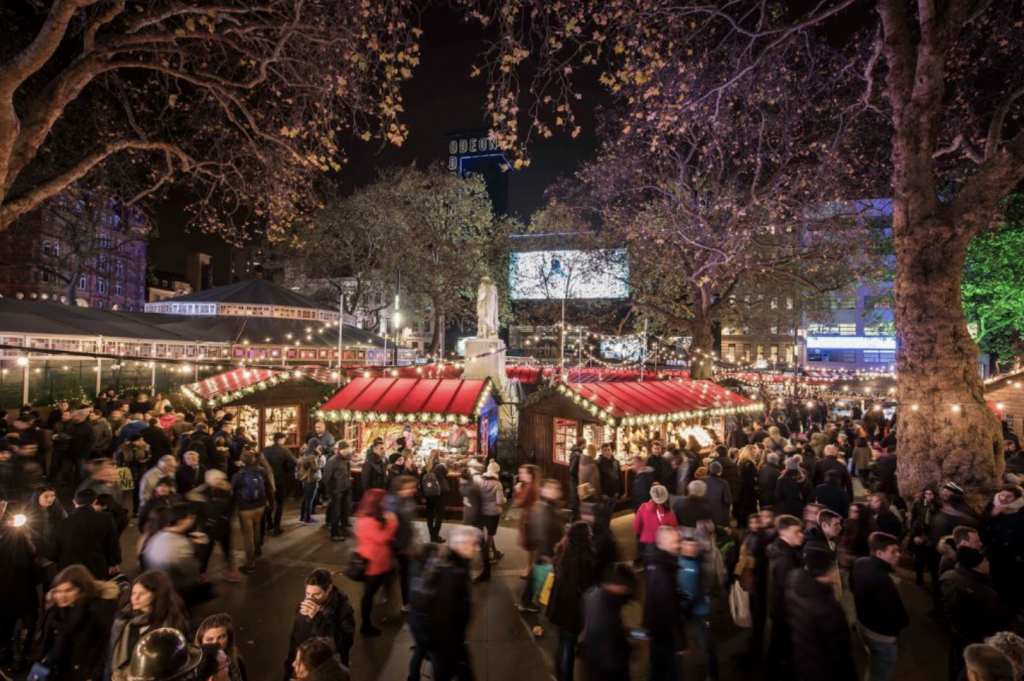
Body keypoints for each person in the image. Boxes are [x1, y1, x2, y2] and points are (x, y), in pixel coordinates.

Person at [407, 525, 478, 681]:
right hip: (442, 640)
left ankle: (413, 677)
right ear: (461, 545)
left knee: (420, 652)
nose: (476, 549)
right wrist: (452, 642)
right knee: (445, 671)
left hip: (424, 630)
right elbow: (444, 613)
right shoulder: (452, 573)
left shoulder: (450, 564)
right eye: (473, 544)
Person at [34, 564, 121, 681]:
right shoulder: (55, 610)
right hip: (59, 671)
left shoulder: (99, 610)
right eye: (58, 591)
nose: (61, 596)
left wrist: (94, 674)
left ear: (82, 589)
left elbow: (108, 647)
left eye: (69, 590)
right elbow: (46, 642)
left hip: (85, 674)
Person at [786, 546, 857, 681]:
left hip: (803, 662)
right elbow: (840, 653)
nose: (837, 571)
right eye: (833, 567)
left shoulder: (795, 584)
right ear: (825, 571)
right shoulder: (827, 608)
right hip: (823, 670)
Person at [106, 571, 188, 681]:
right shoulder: (122, 621)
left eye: (142, 594)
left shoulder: (172, 623)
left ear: (156, 595)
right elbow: (110, 657)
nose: (135, 598)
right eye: (133, 593)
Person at [850, 532, 910, 681]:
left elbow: (852, 587)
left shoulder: (860, 562)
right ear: (879, 553)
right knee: (879, 673)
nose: (898, 555)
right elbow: (897, 617)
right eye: (893, 552)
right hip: (882, 637)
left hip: (863, 625)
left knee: (873, 663)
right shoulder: (884, 581)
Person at [942, 545, 1004, 681]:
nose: (988, 563)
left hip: (957, 632)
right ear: (979, 566)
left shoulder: (949, 576)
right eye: (985, 561)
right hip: (976, 639)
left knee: (956, 661)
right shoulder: (985, 592)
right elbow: (995, 623)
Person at [546, 521, 596, 681]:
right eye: (589, 533)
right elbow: (588, 587)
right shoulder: (586, 559)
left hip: (558, 605)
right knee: (568, 646)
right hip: (572, 610)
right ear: (583, 538)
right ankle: (566, 677)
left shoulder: (563, 551)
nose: (591, 535)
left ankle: (558, 672)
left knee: (561, 642)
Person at [284, 568, 355, 676]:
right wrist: (290, 667)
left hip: (324, 671)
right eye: (307, 593)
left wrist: (318, 618)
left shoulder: (343, 608)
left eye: (317, 594)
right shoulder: (302, 606)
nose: (310, 599)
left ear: (329, 589)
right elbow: (295, 639)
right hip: (302, 668)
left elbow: (344, 644)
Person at [46, 487, 121, 580]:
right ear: (95, 502)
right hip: (98, 568)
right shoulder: (106, 518)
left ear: (74, 502)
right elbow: (112, 544)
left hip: (71, 571)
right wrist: (113, 563)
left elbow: (54, 551)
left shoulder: (62, 524)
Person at [764, 514, 804, 681]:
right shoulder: (785, 559)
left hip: (778, 609)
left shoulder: (779, 549)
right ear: (784, 532)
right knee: (785, 646)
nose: (801, 535)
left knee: (778, 644)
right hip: (786, 611)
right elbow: (787, 588)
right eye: (796, 532)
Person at [353, 488, 398, 636]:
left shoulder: (373, 516)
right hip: (373, 563)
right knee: (368, 595)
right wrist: (392, 523)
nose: (386, 502)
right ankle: (365, 625)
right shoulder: (367, 521)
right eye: (383, 500)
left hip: (382, 561)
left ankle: (384, 607)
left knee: (386, 582)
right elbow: (382, 538)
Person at [644, 525, 686, 681]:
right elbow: (670, 609)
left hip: (656, 627)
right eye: (674, 542)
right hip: (665, 631)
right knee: (671, 669)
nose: (678, 545)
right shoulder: (663, 570)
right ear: (661, 543)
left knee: (657, 665)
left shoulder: (655, 560)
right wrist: (680, 641)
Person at [582, 564, 636, 681]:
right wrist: (628, 647)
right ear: (622, 587)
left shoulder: (592, 594)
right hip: (606, 671)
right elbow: (611, 657)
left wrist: (623, 630)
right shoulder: (608, 609)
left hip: (592, 664)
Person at [518, 479, 565, 613]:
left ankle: (526, 601)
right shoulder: (543, 509)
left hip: (549, 551)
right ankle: (530, 601)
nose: (556, 491)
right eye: (551, 488)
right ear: (543, 490)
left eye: (557, 488)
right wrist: (546, 554)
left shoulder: (549, 505)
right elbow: (541, 531)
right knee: (543, 576)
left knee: (537, 575)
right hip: (548, 552)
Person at [142, 502, 207, 598]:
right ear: (182, 521)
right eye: (190, 517)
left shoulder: (156, 536)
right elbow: (193, 571)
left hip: (156, 584)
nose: (192, 520)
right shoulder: (181, 545)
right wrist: (200, 547)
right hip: (175, 591)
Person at [187, 469, 240, 583]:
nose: (221, 481)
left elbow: (231, 508)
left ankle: (229, 571)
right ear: (210, 481)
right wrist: (200, 527)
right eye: (217, 480)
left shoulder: (227, 491)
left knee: (227, 551)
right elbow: (196, 512)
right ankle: (202, 574)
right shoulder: (200, 494)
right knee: (205, 553)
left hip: (223, 527)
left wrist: (227, 519)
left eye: (221, 479)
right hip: (207, 529)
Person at [679, 532, 718, 681]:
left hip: (700, 614)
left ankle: (713, 674)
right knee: (704, 645)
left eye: (693, 545)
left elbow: (690, 595)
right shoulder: (683, 562)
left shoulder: (692, 568)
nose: (690, 548)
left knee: (707, 646)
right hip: (695, 612)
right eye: (686, 544)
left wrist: (682, 611)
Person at [982, 484, 1024, 621]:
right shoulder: (993, 505)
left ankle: (1008, 618)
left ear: (1016, 498)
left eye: (1008, 496)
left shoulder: (1021, 511)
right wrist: (994, 514)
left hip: (1013, 559)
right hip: (994, 554)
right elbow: (983, 523)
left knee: (1011, 591)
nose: (1004, 498)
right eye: (1002, 495)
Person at [231, 450, 268, 573]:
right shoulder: (262, 471)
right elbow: (268, 488)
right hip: (260, 506)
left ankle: (250, 562)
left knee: (248, 535)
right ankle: (257, 551)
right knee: (257, 530)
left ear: (241, 461)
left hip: (245, 508)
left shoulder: (239, 475)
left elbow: (232, 489)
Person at [385, 475, 419, 611]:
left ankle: (404, 600)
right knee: (403, 573)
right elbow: (389, 526)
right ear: (400, 487)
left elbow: (408, 520)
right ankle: (403, 601)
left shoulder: (407, 499)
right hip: (397, 543)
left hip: (405, 541)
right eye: (409, 487)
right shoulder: (392, 502)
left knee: (405, 573)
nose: (413, 490)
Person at [261, 433, 296, 535]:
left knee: (269, 502)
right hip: (280, 479)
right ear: (279, 439)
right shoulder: (284, 450)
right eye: (284, 439)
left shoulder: (265, 450)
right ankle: (276, 527)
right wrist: (286, 469)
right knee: (280, 503)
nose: (285, 441)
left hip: (267, 479)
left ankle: (269, 522)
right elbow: (294, 462)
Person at [196, 614, 248, 681]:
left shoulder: (236, 659)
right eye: (209, 639)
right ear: (201, 642)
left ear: (229, 638)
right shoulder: (196, 672)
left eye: (221, 637)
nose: (215, 643)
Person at [635, 484, 679, 561]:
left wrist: (643, 533)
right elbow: (675, 530)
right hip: (661, 545)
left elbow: (636, 527)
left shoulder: (643, 507)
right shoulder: (669, 513)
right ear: (665, 497)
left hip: (645, 542)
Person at [909, 484, 941, 587]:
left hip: (931, 536)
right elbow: (914, 519)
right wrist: (914, 533)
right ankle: (919, 581)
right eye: (926, 494)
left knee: (932, 562)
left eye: (930, 494)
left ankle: (934, 584)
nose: (928, 496)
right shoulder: (918, 504)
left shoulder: (938, 506)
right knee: (919, 559)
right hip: (920, 535)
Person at [514, 464, 540, 579]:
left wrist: (518, 490)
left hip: (530, 519)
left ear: (529, 475)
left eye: (522, 473)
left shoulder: (529, 487)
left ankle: (528, 568)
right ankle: (530, 567)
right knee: (531, 545)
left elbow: (520, 503)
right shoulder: (531, 485)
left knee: (529, 545)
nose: (520, 475)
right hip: (531, 517)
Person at [420, 449, 449, 543]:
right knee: (440, 514)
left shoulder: (425, 468)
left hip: (428, 494)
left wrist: (422, 494)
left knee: (430, 514)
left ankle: (432, 535)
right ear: (439, 456)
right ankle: (435, 535)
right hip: (439, 494)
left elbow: (421, 481)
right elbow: (446, 473)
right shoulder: (441, 467)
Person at [480, 461, 506, 561]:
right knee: (491, 534)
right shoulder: (497, 483)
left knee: (490, 533)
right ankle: (485, 556)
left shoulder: (481, 480)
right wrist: (505, 499)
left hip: (483, 511)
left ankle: (495, 552)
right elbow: (500, 501)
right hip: (493, 512)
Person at [703, 461, 733, 528]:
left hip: (704, 514)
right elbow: (728, 500)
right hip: (719, 515)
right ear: (720, 471)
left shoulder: (702, 480)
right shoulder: (723, 483)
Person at [297, 446, 319, 524]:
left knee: (305, 498)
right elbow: (315, 468)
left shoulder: (303, 456)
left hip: (304, 479)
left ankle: (302, 516)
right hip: (310, 479)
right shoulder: (312, 457)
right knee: (309, 500)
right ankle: (308, 518)